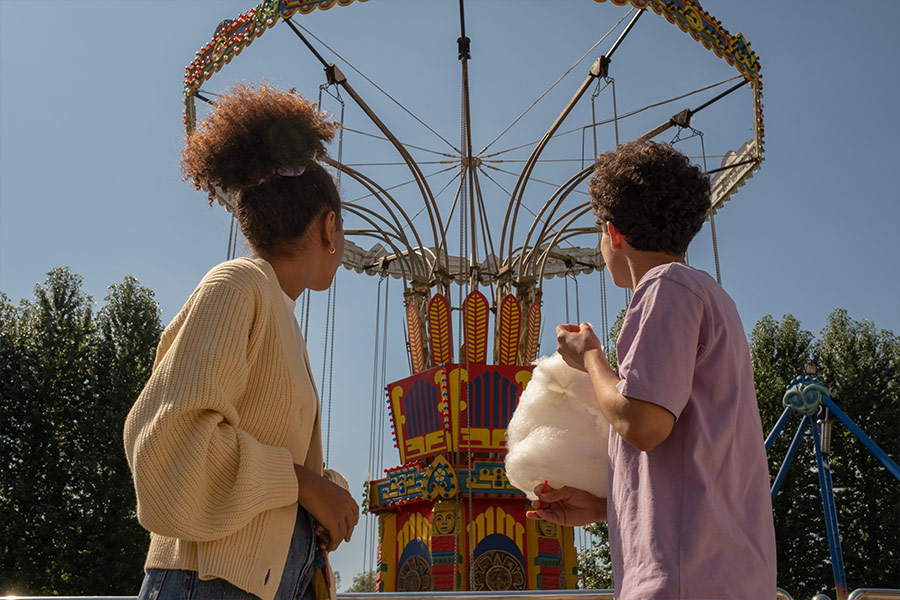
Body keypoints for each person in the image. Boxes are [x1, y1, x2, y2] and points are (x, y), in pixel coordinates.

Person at [124, 83, 359, 600]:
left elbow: (263, 461)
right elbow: (170, 449)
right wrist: (302, 484)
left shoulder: (280, 313)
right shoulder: (237, 285)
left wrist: (319, 495)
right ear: (329, 227)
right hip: (206, 583)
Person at [526, 141, 776, 599]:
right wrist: (606, 506)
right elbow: (692, 459)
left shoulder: (665, 287)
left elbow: (642, 424)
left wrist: (590, 358)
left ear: (613, 232)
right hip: (722, 571)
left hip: (682, 579)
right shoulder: (713, 298)